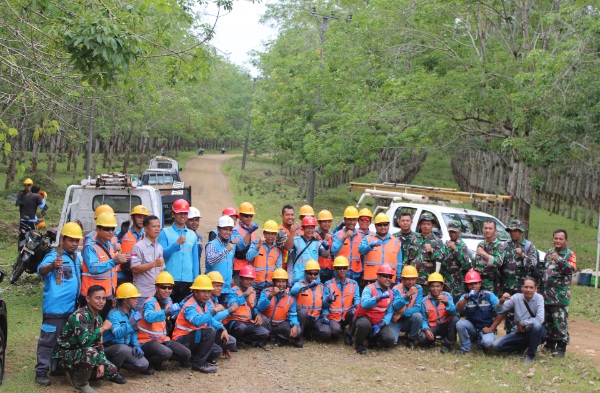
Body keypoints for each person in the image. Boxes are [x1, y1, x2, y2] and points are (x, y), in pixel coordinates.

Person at [34, 222, 83, 386]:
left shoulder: (75, 257)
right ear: (63, 240)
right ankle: (40, 371)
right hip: (54, 309)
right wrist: (52, 266)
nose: (74, 243)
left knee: (63, 340)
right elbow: (40, 270)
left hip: (69, 308)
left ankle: (56, 367)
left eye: (77, 240)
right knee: (48, 341)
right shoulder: (54, 255)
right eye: (71, 240)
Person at [53, 285, 125, 393]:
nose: (101, 301)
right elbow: (84, 341)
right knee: (91, 353)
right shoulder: (79, 316)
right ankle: (80, 383)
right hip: (66, 354)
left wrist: (100, 362)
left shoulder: (98, 318)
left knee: (112, 370)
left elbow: (99, 343)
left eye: (103, 298)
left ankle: (79, 372)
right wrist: (103, 328)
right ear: (88, 299)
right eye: (97, 298)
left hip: (84, 352)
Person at [137, 271, 191, 371]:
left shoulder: (169, 301)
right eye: (163, 287)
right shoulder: (150, 302)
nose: (167, 290)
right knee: (166, 353)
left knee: (186, 354)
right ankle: (148, 363)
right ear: (156, 288)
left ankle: (158, 361)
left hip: (162, 339)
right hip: (146, 340)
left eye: (169, 288)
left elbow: (167, 319)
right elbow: (149, 317)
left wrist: (173, 313)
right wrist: (167, 311)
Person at [172, 275, 226, 373]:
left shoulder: (202, 304)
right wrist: (214, 311)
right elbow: (197, 321)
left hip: (194, 338)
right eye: (203, 291)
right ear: (195, 292)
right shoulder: (190, 306)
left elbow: (210, 320)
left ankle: (192, 358)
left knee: (217, 351)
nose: (207, 295)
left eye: (209, 291)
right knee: (210, 331)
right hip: (182, 339)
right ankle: (199, 364)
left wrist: (222, 328)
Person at [82, 212, 127, 319]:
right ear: (98, 230)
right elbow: (93, 267)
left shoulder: (110, 246)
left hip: (107, 296)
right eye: (107, 229)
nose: (110, 232)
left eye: (112, 229)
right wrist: (114, 261)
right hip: (92, 296)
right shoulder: (91, 247)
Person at [492, 278, 545, 364]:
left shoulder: (539, 298)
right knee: (496, 346)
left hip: (533, 332)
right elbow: (498, 309)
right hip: (519, 332)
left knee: (537, 326)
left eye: (531, 287)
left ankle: (530, 355)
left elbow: (540, 319)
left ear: (536, 289)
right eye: (526, 287)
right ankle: (522, 347)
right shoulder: (516, 297)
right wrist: (501, 300)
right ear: (522, 288)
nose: (528, 290)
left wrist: (523, 323)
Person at [540, 229, 576, 357]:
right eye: (556, 238)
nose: (558, 241)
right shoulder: (549, 252)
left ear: (566, 240)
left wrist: (559, 260)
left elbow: (571, 270)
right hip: (546, 295)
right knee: (548, 321)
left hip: (560, 297)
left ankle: (561, 348)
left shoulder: (570, 254)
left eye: (561, 239)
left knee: (559, 323)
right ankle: (549, 344)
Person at [103, 283, 151, 375]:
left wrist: (136, 345)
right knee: (123, 349)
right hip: (110, 347)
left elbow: (133, 332)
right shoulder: (113, 314)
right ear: (125, 300)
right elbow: (117, 333)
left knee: (143, 364)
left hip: (124, 347)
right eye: (133, 298)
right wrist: (130, 322)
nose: (136, 301)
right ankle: (112, 372)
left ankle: (120, 364)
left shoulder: (132, 312)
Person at [500, 219, 539, 333]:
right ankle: (509, 335)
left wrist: (522, 255)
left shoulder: (528, 246)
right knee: (509, 313)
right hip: (508, 286)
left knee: (522, 313)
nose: (513, 233)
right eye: (511, 231)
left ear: (521, 232)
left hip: (523, 288)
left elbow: (533, 264)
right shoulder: (506, 245)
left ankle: (522, 338)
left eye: (516, 231)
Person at [158, 199, 199, 304]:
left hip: (187, 279)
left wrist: (195, 280)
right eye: (179, 213)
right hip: (169, 279)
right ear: (173, 214)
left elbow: (195, 260)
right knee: (169, 309)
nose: (182, 216)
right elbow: (161, 254)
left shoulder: (192, 234)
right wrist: (176, 244)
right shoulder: (165, 232)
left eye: (185, 213)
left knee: (184, 309)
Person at [454, 270, 503, 354]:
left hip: (485, 328)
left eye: (476, 283)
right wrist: (466, 298)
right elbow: (457, 308)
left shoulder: (489, 295)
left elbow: (501, 313)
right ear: (467, 285)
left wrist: (491, 328)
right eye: (470, 284)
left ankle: (479, 341)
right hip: (472, 327)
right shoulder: (465, 296)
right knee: (460, 323)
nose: (473, 286)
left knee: (488, 344)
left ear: (480, 283)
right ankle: (465, 347)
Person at [351, 264, 396, 354]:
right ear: (378, 276)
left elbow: (390, 312)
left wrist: (381, 324)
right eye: (385, 276)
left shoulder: (390, 293)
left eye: (390, 277)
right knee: (364, 324)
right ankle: (359, 344)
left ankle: (371, 339)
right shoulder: (369, 288)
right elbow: (364, 304)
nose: (388, 279)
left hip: (377, 322)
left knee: (390, 340)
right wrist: (378, 298)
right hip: (364, 318)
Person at [224, 266, 270, 348]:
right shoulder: (234, 290)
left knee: (264, 333)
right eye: (246, 279)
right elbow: (232, 305)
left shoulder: (253, 292)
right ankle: (234, 341)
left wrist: (258, 314)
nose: (249, 281)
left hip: (247, 321)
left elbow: (254, 307)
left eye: (251, 279)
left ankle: (242, 340)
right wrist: (245, 294)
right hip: (234, 321)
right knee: (241, 328)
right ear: (241, 279)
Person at [256, 268, 302, 347]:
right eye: (278, 281)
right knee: (261, 318)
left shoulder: (290, 297)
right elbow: (259, 308)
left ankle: (280, 338)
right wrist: (270, 296)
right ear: (274, 282)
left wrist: (295, 324)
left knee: (297, 330)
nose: (281, 284)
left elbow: (293, 315)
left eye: (283, 281)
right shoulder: (266, 292)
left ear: (286, 283)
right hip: (266, 323)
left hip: (280, 325)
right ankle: (264, 338)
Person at [291, 260, 331, 344]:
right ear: (305, 273)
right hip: (303, 317)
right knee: (302, 313)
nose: (312, 276)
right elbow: (293, 291)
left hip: (315, 318)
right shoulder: (299, 284)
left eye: (315, 274)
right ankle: (298, 337)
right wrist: (307, 287)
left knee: (326, 332)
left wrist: (324, 315)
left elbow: (324, 305)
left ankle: (309, 333)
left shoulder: (321, 287)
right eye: (310, 273)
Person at [322, 256, 360, 344]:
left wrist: (355, 307)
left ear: (347, 269)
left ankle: (348, 334)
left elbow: (357, 298)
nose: (342, 270)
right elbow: (323, 304)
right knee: (335, 331)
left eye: (344, 268)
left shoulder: (353, 284)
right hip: (333, 317)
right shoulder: (328, 284)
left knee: (357, 314)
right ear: (334, 269)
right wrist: (328, 300)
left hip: (347, 315)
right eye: (339, 268)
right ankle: (338, 330)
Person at [130, 215, 165, 309]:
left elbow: (161, 270)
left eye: (158, 226)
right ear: (145, 228)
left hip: (157, 294)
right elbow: (134, 269)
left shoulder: (159, 247)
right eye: (154, 226)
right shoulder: (138, 247)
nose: (157, 229)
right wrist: (153, 264)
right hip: (143, 294)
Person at [419, 272, 458, 353]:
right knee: (422, 337)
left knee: (455, 319)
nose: (435, 289)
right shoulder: (424, 301)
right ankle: (432, 341)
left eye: (438, 286)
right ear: (429, 287)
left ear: (442, 287)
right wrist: (426, 329)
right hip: (433, 326)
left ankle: (447, 344)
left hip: (445, 325)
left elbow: (453, 312)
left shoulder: (447, 296)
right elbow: (423, 319)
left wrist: (447, 303)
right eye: (432, 286)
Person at [359, 213, 402, 284]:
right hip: (372, 280)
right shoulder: (368, 239)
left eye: (385, 224)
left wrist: (398, 276)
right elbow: (361, 250)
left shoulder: (396, 242)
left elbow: (399, 262)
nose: (382, 227)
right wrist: (370, 246)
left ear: (389, 225)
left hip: (389, 280)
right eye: (379, 225)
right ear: (375, 226)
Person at [405, 213, 445, 292]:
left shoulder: (437, 241)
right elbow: (407, 258)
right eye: (423, 224)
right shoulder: (414, 239)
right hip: (412, 279)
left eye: (428, 224)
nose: (426, 226)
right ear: (420, 225)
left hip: (427, 280)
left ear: (432, 226)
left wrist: (432, 251)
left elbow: (442, 257)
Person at [205, 215, 239, 304]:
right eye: (225, 229)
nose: (227, 232)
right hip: (212, 289)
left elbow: (230, 264)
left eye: (230, 230)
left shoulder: (231, 246)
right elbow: (211, 261)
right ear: (218, 229)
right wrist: (226, 250)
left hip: (226, 288)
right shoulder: (212, 245)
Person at [287, 216, 330, 285]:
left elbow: (325, 255)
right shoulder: (296, 241)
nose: (310, 230)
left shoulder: (317, 242)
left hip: (314, 279)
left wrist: (327, 247)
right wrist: (290, 280)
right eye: (308, 228)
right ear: (303, 228)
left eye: (312, 228)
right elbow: (290, 261)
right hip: (298, 280)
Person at [390, 265, 423, 349]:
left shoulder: (419, 288)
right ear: (403, 279)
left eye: (413, 279)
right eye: (408, 279)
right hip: (395, 320)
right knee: (392, 341)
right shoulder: (396, 289)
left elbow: (418, 308)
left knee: (418, 316)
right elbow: (396, 306)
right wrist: (407, 295)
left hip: (407, 318)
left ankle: (411, 338)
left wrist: (402, 314)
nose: (411, 282)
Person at [246, 220, 282, 295]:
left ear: (276, 235)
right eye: (268, 233)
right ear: (264, 233)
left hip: (270, 285)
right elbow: (248, 257)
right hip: (255, 284)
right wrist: (258, 245)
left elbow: (278, 268)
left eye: (273, 234)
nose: (270, 236)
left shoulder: (277, 248)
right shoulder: (256, 243)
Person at [116, 205, 148, 285]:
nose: (142, 220)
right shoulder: (124, 233)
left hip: (138, 274)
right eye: (139, 217)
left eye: (144, 218)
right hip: (122, 274)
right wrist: (120, 235)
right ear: (133, 217)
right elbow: (111, 245)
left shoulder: (146, 236)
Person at [332, 206, 364, 283]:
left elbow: (363, 256)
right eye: (349, 219)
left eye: (354, 220)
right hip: (340, 274)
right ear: (345, 220)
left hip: (356, 274)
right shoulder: (338, 235)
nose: (352, 222)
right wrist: (344, 237)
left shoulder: (361, 235)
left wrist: (363, 273)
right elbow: (334, 250)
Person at [441, 220, 472, 301]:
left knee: (456, 305)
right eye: (451, 231)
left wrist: (455, 249)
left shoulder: (462, 246)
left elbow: (465, 264)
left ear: (460, 231)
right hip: (445, 281)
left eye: (455, 231)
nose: (452, 234)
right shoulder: (446, 244)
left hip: (456, 283)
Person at [473, 220, 506, 292]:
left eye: (490, 228)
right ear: (482, 229)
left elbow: (498, 263)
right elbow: (476, 263)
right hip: (478, 282)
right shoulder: (480, 244)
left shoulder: (499, 245)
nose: (487, 230)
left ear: (495, 231)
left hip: (491, 283)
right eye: (485, 228)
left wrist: (484, 253)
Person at [232, 202, 260, 282]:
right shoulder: (235, 230)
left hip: (249, 267)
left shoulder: (253, 231)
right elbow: (240, 247)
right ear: (240, 216)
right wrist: (249, 233)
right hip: (238, 267)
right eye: (246, 215)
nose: (249, 218)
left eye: (251, 216)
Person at [316, 210, 335, 283]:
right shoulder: (315, 235)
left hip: (329, 270)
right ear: (319, 222)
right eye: (324, 221)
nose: (327, 224)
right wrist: (325, 240)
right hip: (317, 271)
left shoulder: (332, 235)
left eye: (329, 221)